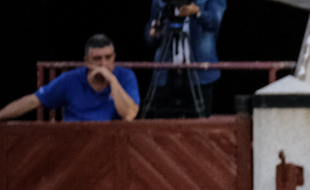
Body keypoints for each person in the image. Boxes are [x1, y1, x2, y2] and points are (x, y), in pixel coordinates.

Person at [0, 35, 139, 122]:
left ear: (114, 57)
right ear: (87, 61)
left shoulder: (126, 76)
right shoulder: (70, 79)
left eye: (108, 58)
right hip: (74, 142)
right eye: (97, 59)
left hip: (110, 145)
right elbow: (33, 100)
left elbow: (130, 114)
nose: (103, 63)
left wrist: (113, 81)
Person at [144, 0, 225, 118]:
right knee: (163, 126)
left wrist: (197, 12)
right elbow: (150, 35)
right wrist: (154, 32)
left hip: (200, 72)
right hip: (165, 72)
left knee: (198, 127)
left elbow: (214, 22)